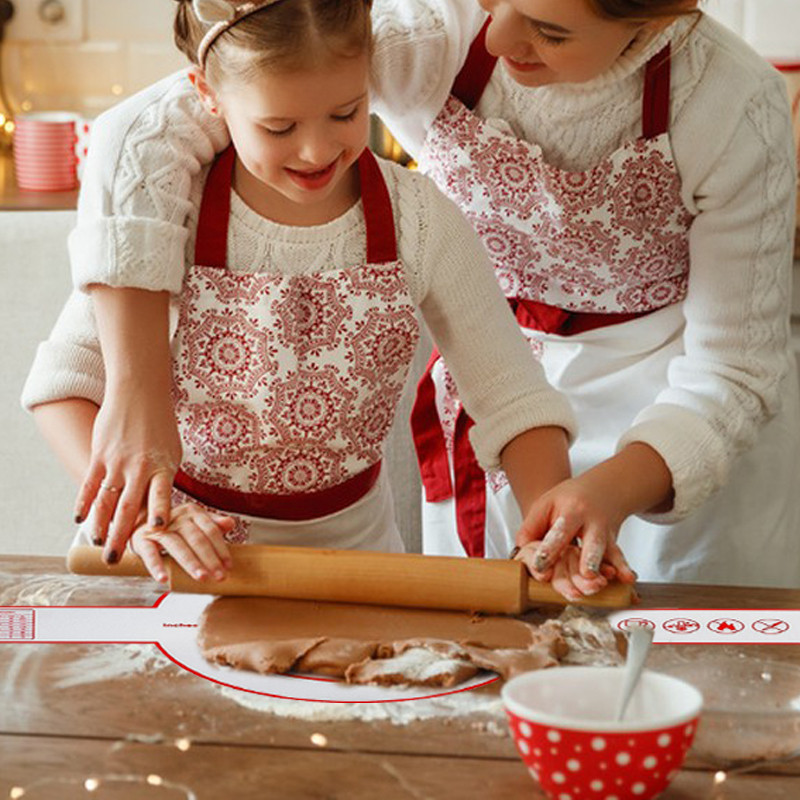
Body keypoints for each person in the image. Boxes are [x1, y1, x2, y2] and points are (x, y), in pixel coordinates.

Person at [56, 0, 800, 590]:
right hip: (209, 552)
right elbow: (177, 110)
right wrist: (136, 392)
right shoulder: (421, 35)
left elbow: (723, 370)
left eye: (546, 28)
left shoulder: (731, 106)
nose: (498, 34)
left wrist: (591, 499)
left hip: (669, 398)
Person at [23, 0, 600, 591]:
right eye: (279, 128)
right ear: (208, 94)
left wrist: (554, 524)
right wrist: (149, 513)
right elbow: (64, 387)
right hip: (177, 558)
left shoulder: (420, 221)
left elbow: (513, 398)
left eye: (346, 113)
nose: (317, 150)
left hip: (353, 564)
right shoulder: (172, 214)